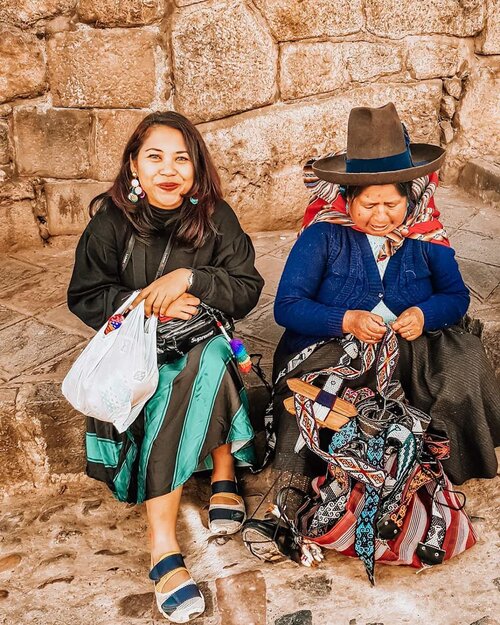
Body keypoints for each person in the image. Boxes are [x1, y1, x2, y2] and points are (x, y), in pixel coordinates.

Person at [67, 111, 264, 623]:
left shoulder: (217, 217)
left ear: (196, 169)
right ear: (134, 164)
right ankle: (194, 509)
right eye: (154, 157)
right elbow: (84, 295)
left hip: (206, 337)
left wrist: (191, 279)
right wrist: (144, 302)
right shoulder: (110, 222)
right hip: (138, 350)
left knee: (209, 358)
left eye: (181, 158)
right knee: (189, 374)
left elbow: (246, 289)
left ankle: (168, 533)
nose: (168, 169)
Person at [272, 102, 500, 495]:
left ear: (409, 198)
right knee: (323, 400)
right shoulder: (323, 234)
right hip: (336, 347)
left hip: (414, 345)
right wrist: (347, 320)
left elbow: (455, 296)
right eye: (368, 205)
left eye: (391, 205)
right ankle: (331, 480)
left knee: (464, 368)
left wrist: (424, 314)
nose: (381, 217)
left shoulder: (427, 234)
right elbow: (287, 306)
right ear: (347, 198)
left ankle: (441, 466)